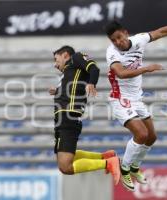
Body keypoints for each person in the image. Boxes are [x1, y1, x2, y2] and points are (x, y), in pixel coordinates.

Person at [104, 17, 167, 191]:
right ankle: (123, 168)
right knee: (141, 133)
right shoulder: (112, 52)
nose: (118, 42)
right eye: (113, 40)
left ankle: (134, 166)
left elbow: (161, 31)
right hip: (120, 98)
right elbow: (121, 73)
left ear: (125, 33)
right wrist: (146, 68)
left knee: (152, 137)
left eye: (119, 37)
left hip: (136, 99)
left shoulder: (139, 39)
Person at [49, 45, 120, 185]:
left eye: (56, 59)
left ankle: (109, 163)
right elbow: (72, 88)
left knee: (65, 166)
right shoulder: (69, 72)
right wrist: (57, 91)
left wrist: (92, 83)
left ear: (65, 55)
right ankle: (105, 157)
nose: (55, 64)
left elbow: (94, 68)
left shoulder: (76, 57)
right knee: (62, 157)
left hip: (69, 115)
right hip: (62, 118)